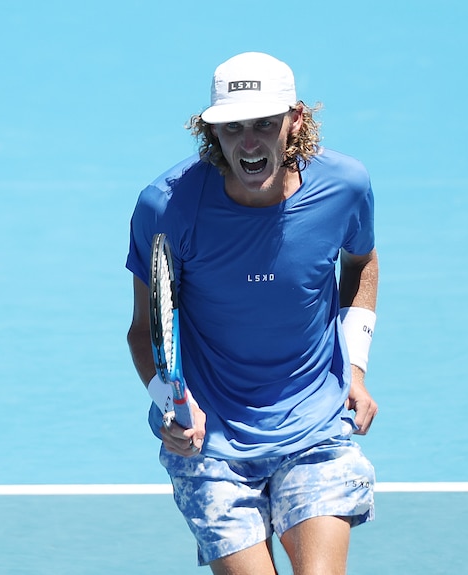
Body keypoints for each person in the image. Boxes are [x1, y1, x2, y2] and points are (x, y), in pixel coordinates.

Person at [125, 51, 380, 575]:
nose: (248, 143)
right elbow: (144, 330)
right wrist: (170, 403)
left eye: (265, 124)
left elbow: (361, 262)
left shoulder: (345, 188)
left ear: (296, 121)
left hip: (313, 424)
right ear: (209, 131)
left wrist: (355, 366)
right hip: (209, 445)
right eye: (232, 127)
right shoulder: (165, 207)